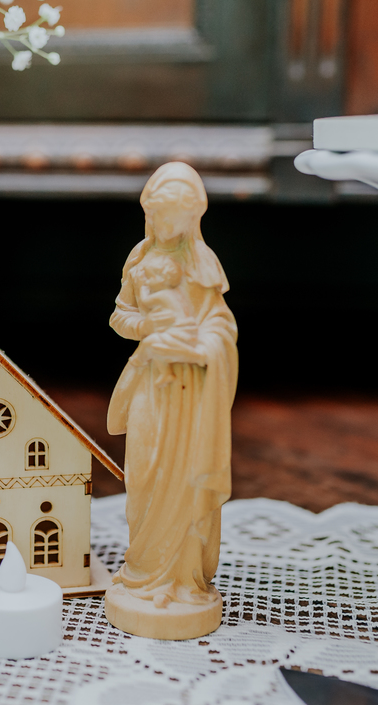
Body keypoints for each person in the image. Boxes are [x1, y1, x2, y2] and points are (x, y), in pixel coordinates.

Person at [105, 161, 239, 639]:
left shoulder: (203, 265)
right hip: (151, 382)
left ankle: (183, 583)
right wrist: (149, 328)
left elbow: (221, 327)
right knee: (143, 473)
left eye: (178, 216)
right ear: (149, 211)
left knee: (185, 480)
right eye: (160, 214)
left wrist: (201, 347)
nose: (167, 225)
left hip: (191, 394)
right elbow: (121, 316)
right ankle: (142, 574)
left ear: (193, 217)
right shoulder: (139, 258)